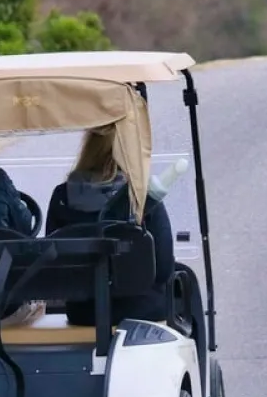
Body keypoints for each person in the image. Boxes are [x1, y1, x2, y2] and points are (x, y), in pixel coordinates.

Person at [45, 127, 174, 324]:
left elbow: (53, 264)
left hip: (85, 313)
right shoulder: (142, 196)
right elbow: (164, 268)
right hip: (143, 311)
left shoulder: (62, 196)